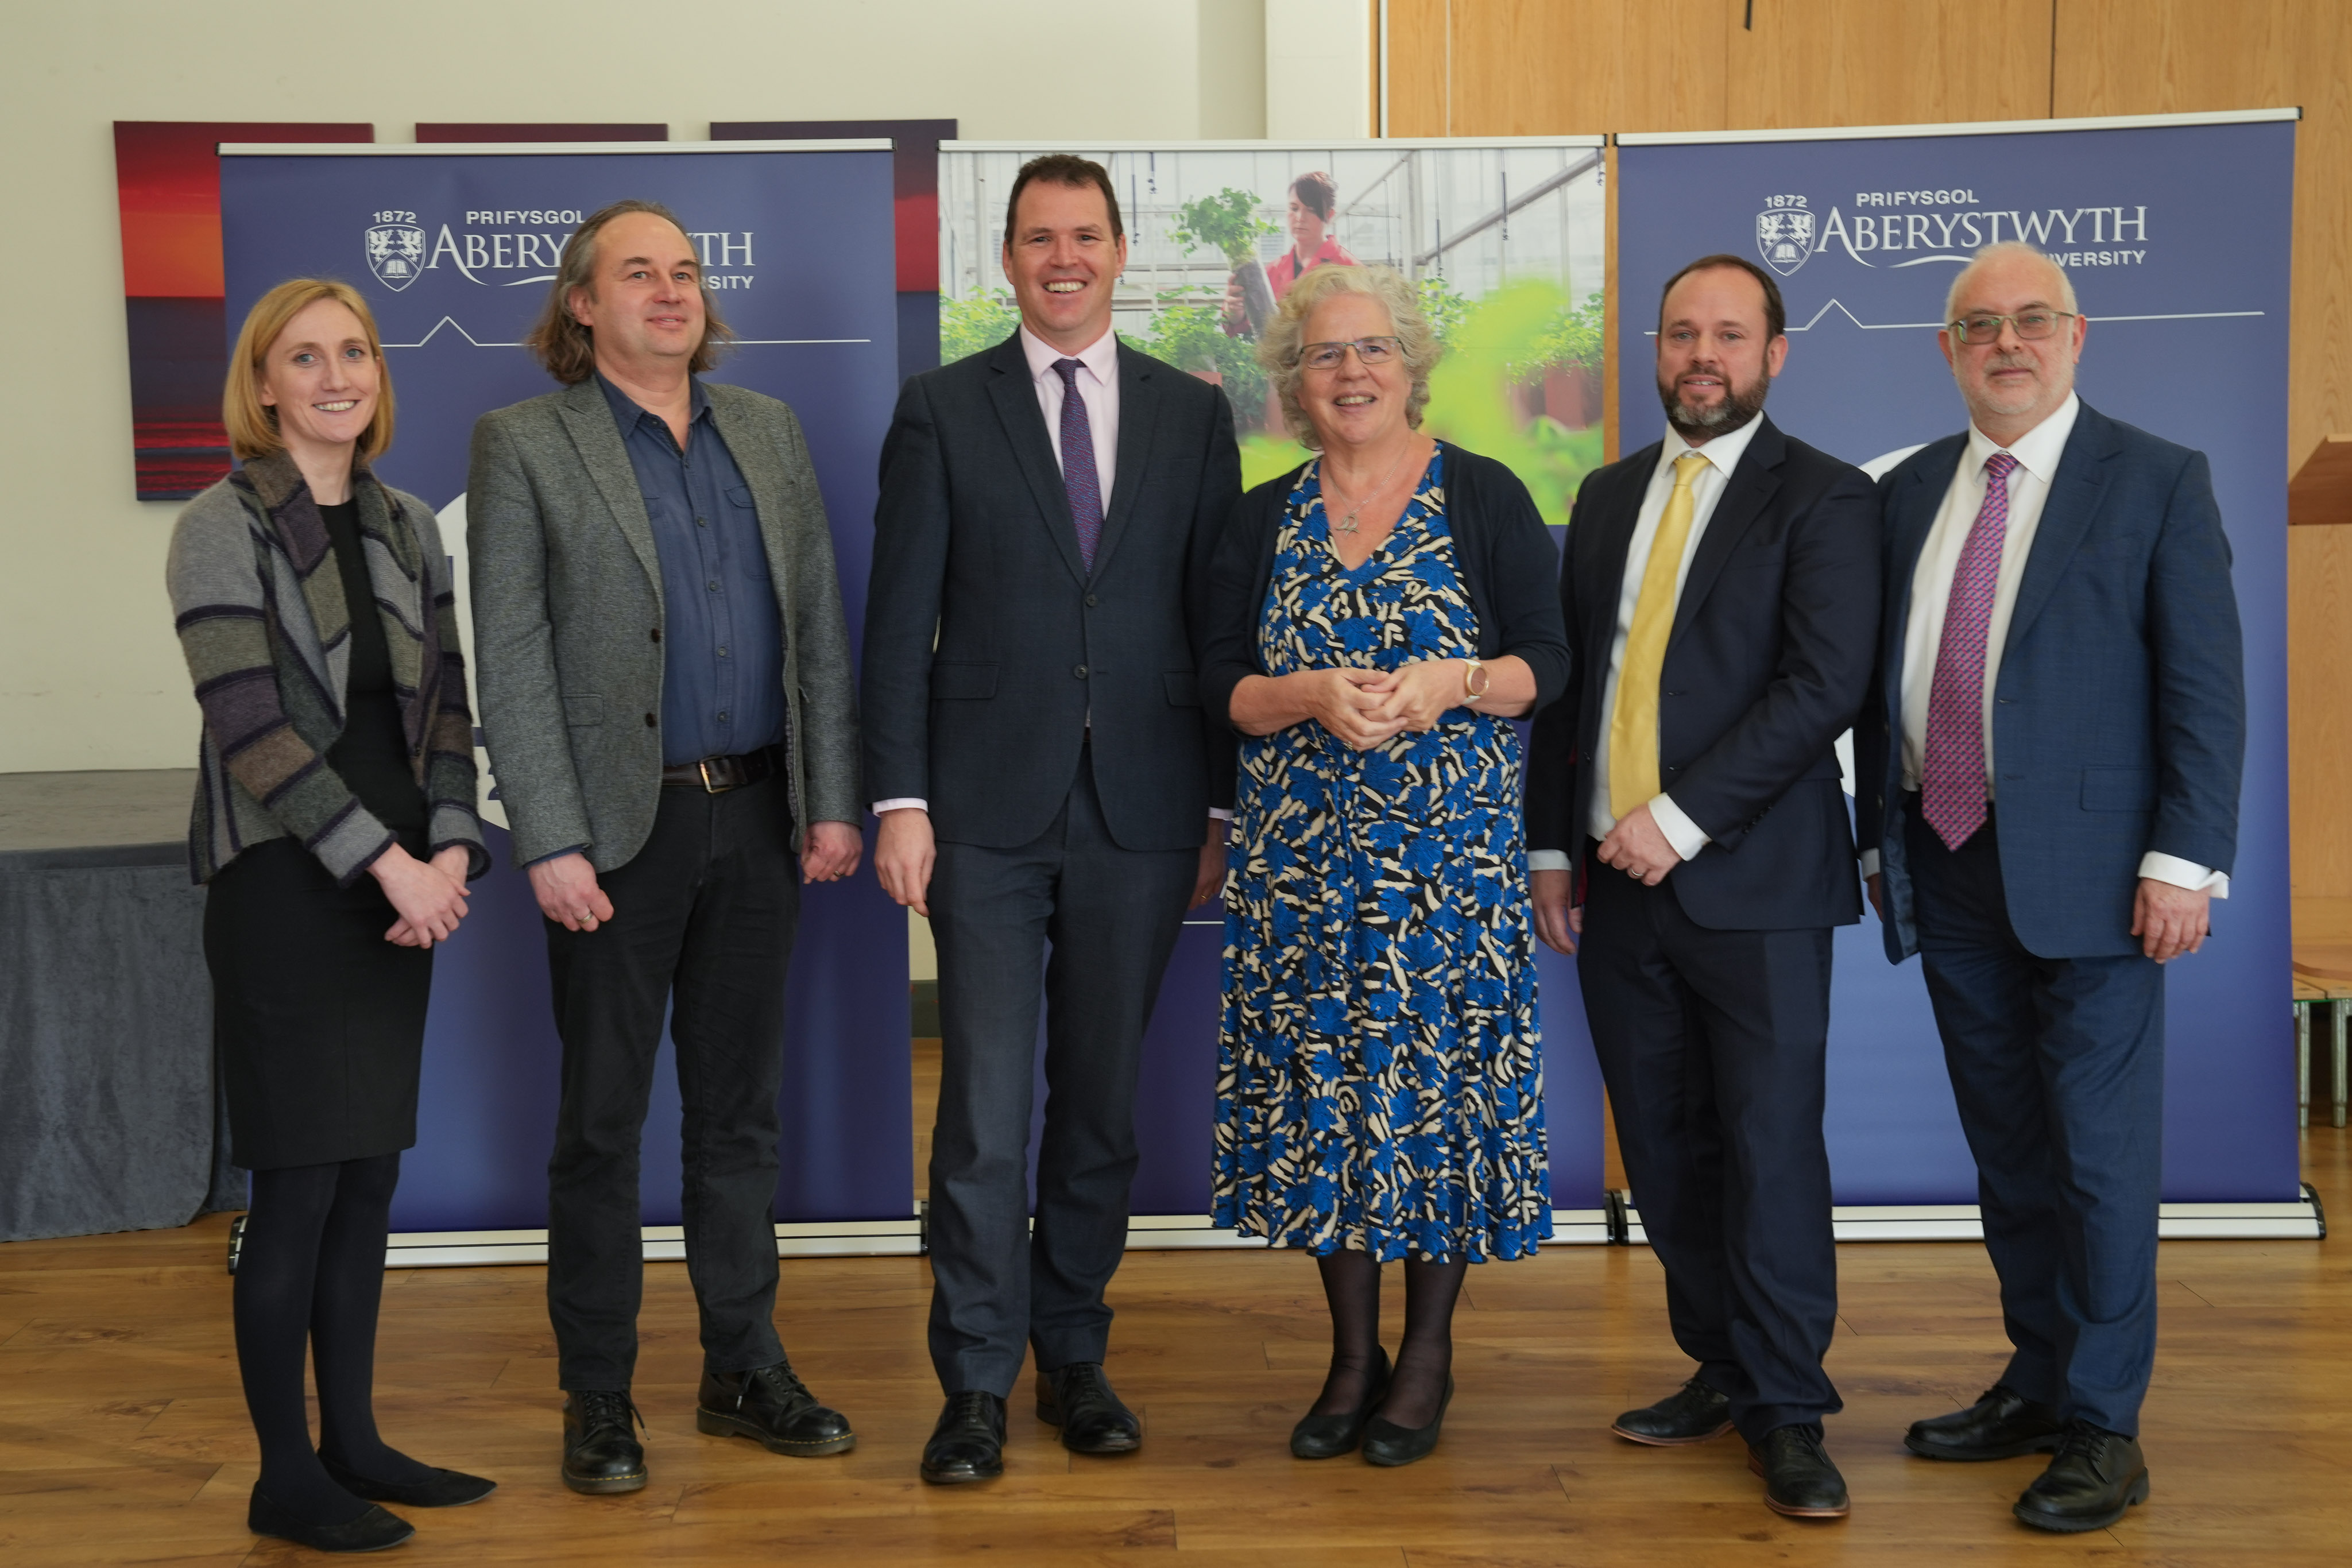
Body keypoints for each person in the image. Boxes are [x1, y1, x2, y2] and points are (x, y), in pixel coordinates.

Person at [467, 199, 865, 1496]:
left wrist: (831, 797)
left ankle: (742, 1367)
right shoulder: (524, 444)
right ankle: (598, 1398)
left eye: (685, 270)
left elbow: (815, 626)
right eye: (638, 273)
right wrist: (550, 835)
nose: (670, 290)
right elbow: (512, 657)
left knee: (738, 1119)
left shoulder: (767, 432)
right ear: (582, 303)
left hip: (756, 816)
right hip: (613, 837)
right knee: (600, 1124)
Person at [864, 154, 1241, 1484]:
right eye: (1039, 239)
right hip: (979, 815)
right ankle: (972, 1377)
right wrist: (900, 799)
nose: (1063, 258)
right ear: (1008, 259)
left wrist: (1212, 804)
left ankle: (1073, 1352)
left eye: (1086, 236)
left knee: (1097, 1108)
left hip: (1143, 812)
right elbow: (896, 622)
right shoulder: (940, 411)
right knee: (980, 1111)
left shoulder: (1195, 417)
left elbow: (1214, 628)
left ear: (1122, 252)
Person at [1856, 242, 2244, 1534]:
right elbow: (1884, 680)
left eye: (2031, 321)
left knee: (2096, 1159)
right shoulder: (1906, 490)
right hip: (1946, 858)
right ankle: (2035, 1378)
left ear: (2077, 337)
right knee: (2009, 1152)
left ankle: (2101, 1427)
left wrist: (2181, 861)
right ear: (1945, 351)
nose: (2005, 342)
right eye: (1978, 325)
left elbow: (2201, 689)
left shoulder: (2154, 481)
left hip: (2097, 882)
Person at [1526, 254, 1879, 1519]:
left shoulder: (1826, 500)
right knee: (1666, 1150)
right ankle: (1722, 1370)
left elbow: (1819, 686)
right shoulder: (1610, 493)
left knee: (1768, 1148)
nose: (1701, 356)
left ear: (1775, 353)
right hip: (1612, 889)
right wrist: (1552, 849)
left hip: (1757, 884)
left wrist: (1675, 820)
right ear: (1655, 348)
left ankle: (1789, 1412)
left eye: (1729, 335)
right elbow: (1571, 689)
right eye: (1682, 334)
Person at [1202, 262, 1569, 1467]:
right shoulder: (1259, 519)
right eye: (1323, 354)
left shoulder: (1484, 495)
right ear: (1292, 381)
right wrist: (1306, 693)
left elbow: (1544, 664)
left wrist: (1452, 682)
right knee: (1326, 1112)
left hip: (1446, 877)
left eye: (1370, 350)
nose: (1350, 371)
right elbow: (1221, 691)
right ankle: (1349, 1356)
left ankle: (1424, 1359)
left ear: (1410, 364)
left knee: (1435, 1104)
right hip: (1302, 879)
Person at [169, 278, 494, 1554]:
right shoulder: (218, 524)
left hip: (405, 887)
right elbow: (250, 729)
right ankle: (282, 1473)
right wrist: (390, 868)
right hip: (287, 888)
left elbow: (448, 711)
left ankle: (354, 1440)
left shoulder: (410, 524)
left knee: (368, 1179)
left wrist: (454, 849)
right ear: (264, 386)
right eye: (302, 358)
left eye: (352, 351)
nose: (334, 374)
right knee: (297, 1185)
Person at [1225, 171, 1359, 335]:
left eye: (1310, 210)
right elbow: (1253, 331)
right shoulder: (1271, 273)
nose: (1300, 218)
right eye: (1294, 208)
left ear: (1329, 215)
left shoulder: (1350, 270)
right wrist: (1235, 315)